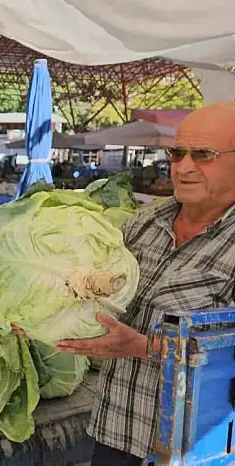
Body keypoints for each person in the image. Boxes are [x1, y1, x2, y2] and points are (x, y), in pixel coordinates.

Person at [52, 102, 235, 465]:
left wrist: (143, 346)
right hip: (114, 431)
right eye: (177, 152)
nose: (184, 167)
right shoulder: (144, 223)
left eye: (204, 155)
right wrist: (44, 310)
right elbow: (98, 296)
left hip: (192, 452)